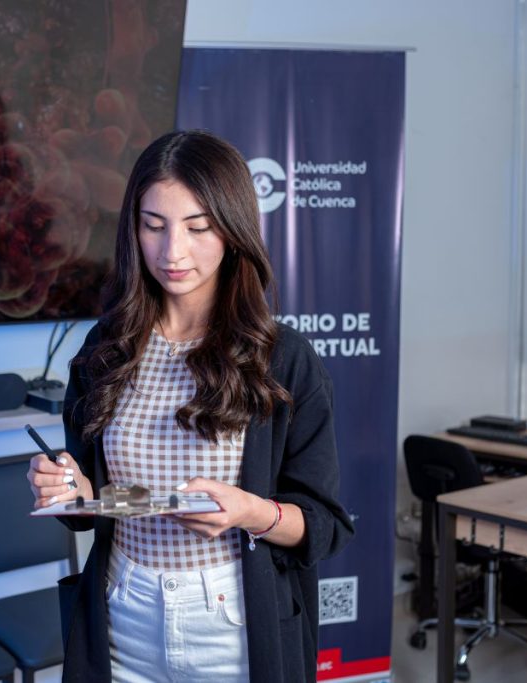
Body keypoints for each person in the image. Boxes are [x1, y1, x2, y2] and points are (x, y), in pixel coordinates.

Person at [26, 129, 354, 683]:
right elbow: (99, 503)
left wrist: (251, 512)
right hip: (122, 612)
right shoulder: (105, 350)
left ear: (232, 230)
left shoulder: (283, 359)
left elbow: (323, 527)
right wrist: (69, 491)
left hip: (231, 625)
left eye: (197, 227)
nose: (171, 251)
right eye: (153, 226)